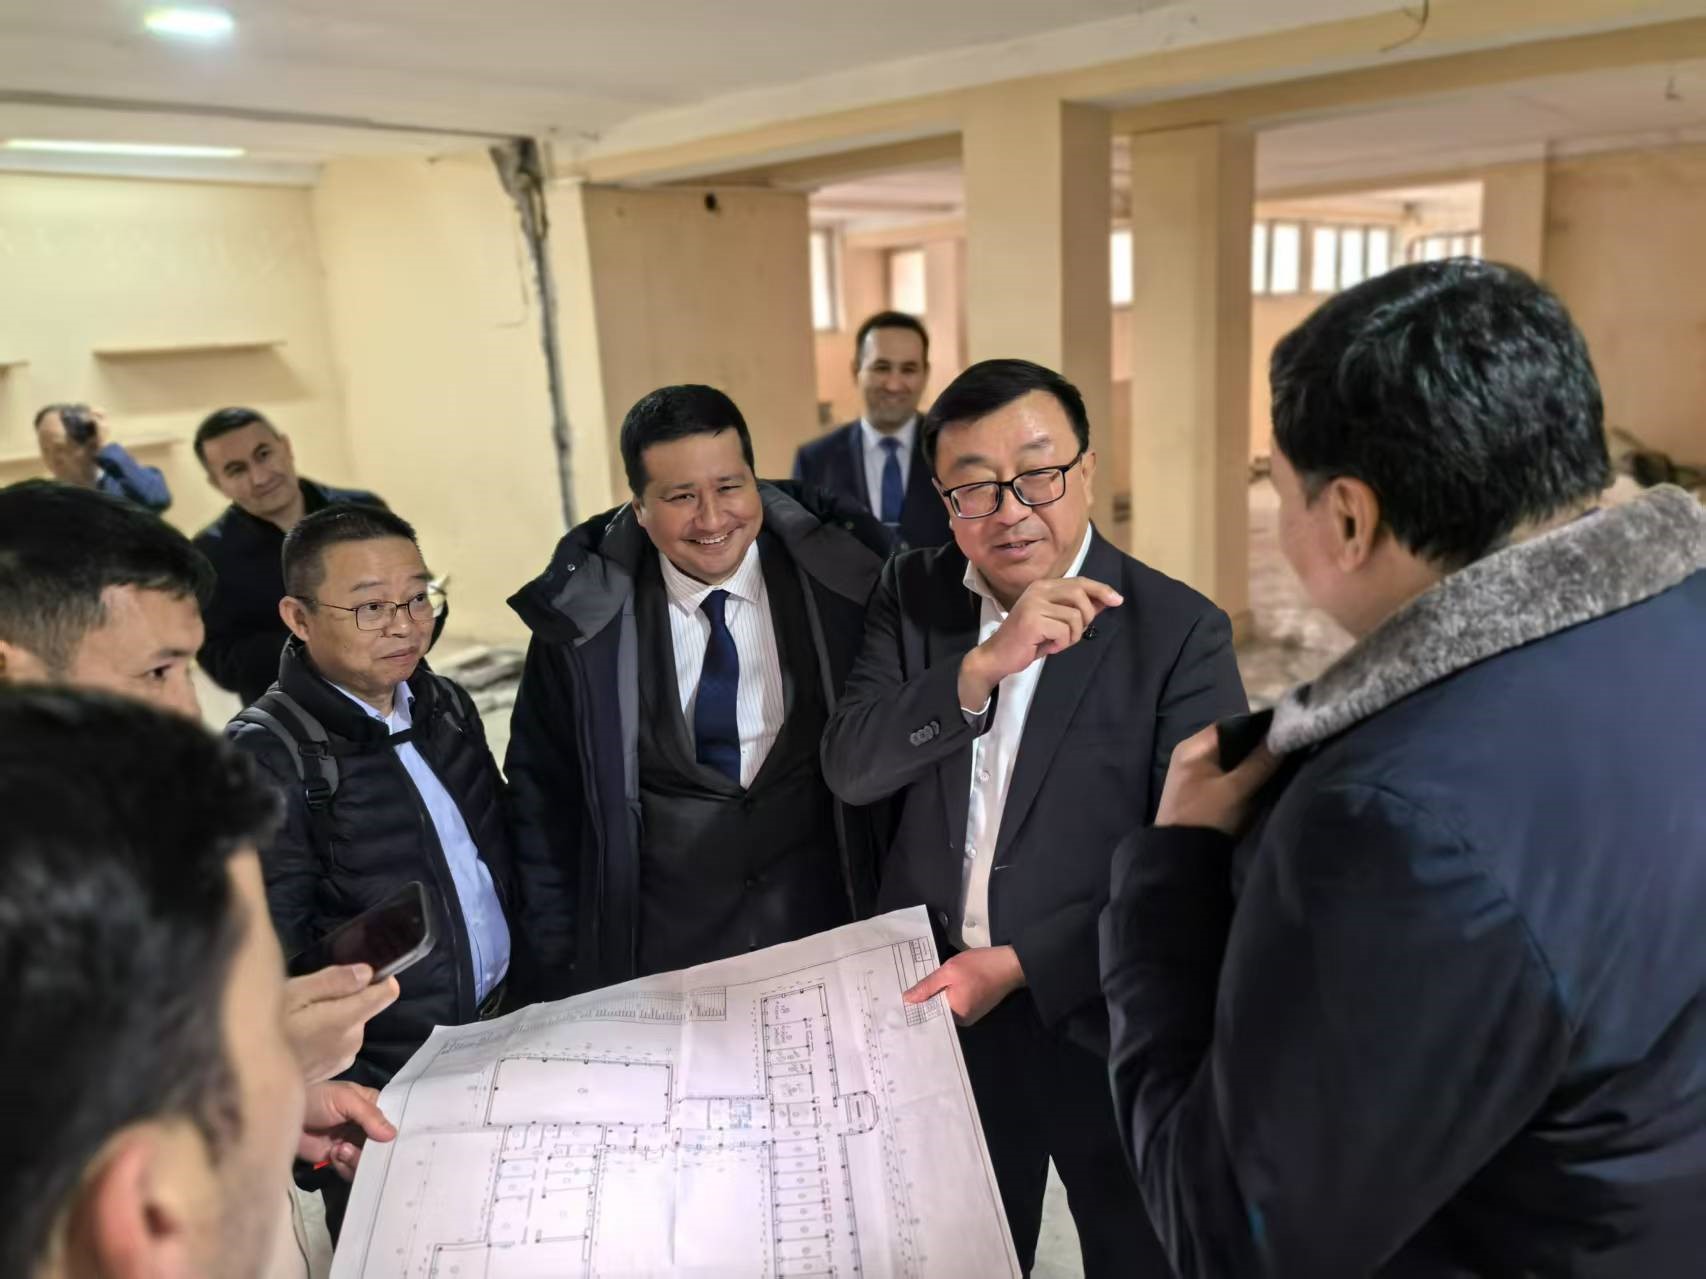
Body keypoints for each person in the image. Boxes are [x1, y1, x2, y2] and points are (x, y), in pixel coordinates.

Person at [1100, 259, 1706, 1277]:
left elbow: (1233, 1237)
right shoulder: (1679, 614)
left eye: (1277, 488)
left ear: (1348, 517)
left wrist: (1173, 872)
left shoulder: (1392, 818)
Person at [820, 358, 1247, 1277]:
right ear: (944, 501)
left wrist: (1019, 964)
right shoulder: (914, 594)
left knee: (1135, 1250)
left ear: (1086, 468)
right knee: (959, 1253)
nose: (1011, 511)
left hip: (1104, 1010)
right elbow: (852, 767)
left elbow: (1195, 867)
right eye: (974, 488)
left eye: (1039, 474)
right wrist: (980, 666)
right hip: (936, 1004)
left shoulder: (1179, 632)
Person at [0, 479, 399, 1279]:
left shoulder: (135, 819)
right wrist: (247, 1075)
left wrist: (265, 1108)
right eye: (156, 672)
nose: (188, 711)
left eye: (188, 668)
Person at [507, 384, 890, 997]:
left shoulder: (847, 587)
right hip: (662, 963)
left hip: (824, 938)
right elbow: (540, 794)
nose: (712, 520)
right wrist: (560, 962)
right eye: (680, 496)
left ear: (756, 481)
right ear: (638, 507)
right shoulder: (581, 625)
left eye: (729, 487)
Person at [227, 503, 519, 1088]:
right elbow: (270, 964)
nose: (405, 626)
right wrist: (339, 1088)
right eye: (370, 608)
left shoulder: (444, 704)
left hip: (505, 1027)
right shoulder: (264, 755)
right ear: (299, 618)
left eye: (417, 598)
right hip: (391, 1075)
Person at [192, 406, 388, 706]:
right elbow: (221, 663)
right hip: (291, 718)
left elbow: (415, 595)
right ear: (217, 483)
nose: (259, 477)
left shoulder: (366, 511)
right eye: (236, 469)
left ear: (285, 446)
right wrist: (314, 640)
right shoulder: (207, 556)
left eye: (263, 454)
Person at [793, 311, 951, 551]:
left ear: (925, 374)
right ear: (856, 370)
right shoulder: (814, 461)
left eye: (908, 369)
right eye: (881, 367)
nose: (894, 385)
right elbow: (803, 548)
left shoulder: (951, 451)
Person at [33, 402, 172, 513]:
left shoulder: (126, 485)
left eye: (60, 449)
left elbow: (156, 500)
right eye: (45, 450)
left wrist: (106, 446)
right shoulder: (46, 499)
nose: (52, 459)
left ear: (89, 442)